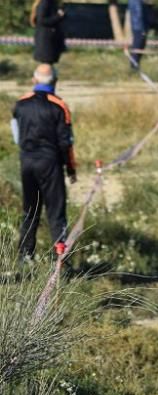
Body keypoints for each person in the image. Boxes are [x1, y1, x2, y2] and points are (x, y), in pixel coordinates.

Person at [12, 64, 77, 261]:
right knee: (56, 212)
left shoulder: (20, 104)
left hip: (27, 161)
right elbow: (66, 143)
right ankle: (60, 261)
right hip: (50, 164)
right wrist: (71, 169)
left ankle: (25, 257)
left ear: (34, 81)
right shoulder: (60, 106)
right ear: (55, 82)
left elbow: (16, 136)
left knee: (30, 210)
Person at [30, 0, 66, 65]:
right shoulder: (45, 2)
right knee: (46, 66)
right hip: (46, 41)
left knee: (48, 66)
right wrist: (58, 16)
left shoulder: (52, 2)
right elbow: (41, 20)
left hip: (48, 40)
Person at [127, 0, 147, 69]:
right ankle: (134, 67)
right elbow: (139, 14)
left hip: (137, 27)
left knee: (138, 46)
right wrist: (143, 29)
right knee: (138, 46)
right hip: (139, 27)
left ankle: (135, 66)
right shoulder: (136, 1)